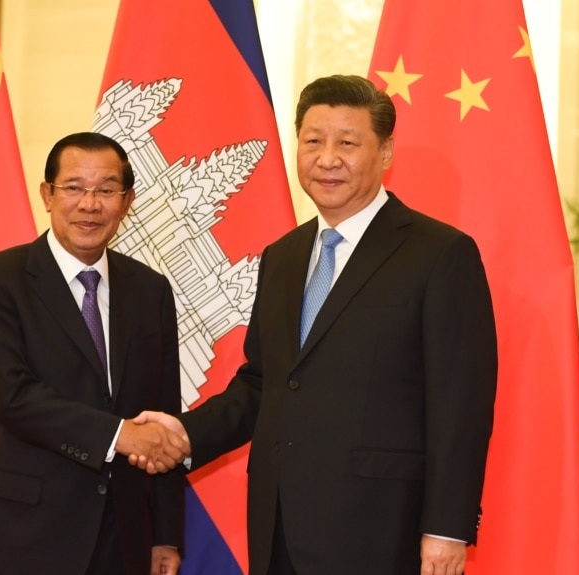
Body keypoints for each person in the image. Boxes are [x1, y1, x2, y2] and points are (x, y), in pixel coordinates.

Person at [133, 75, 498, 575]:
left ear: (386, 152)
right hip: (278, 523)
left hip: (381, 528)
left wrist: (446, 527)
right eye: (313, 141)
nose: (327, 159)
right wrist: (184, 432)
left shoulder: (440, 254)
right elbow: (266, 382)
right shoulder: (282, 256)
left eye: (348, 143)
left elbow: (461, 401)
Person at [0, 132, 189, 575]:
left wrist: (165, 533)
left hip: (124, 537)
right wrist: (118, 435)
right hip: (21, 533)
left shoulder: (149, 289)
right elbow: (11, 394)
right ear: (48, 194)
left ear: (127, 200)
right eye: (74, 187)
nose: (89, 204)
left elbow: (162, 413)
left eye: (106, 190)